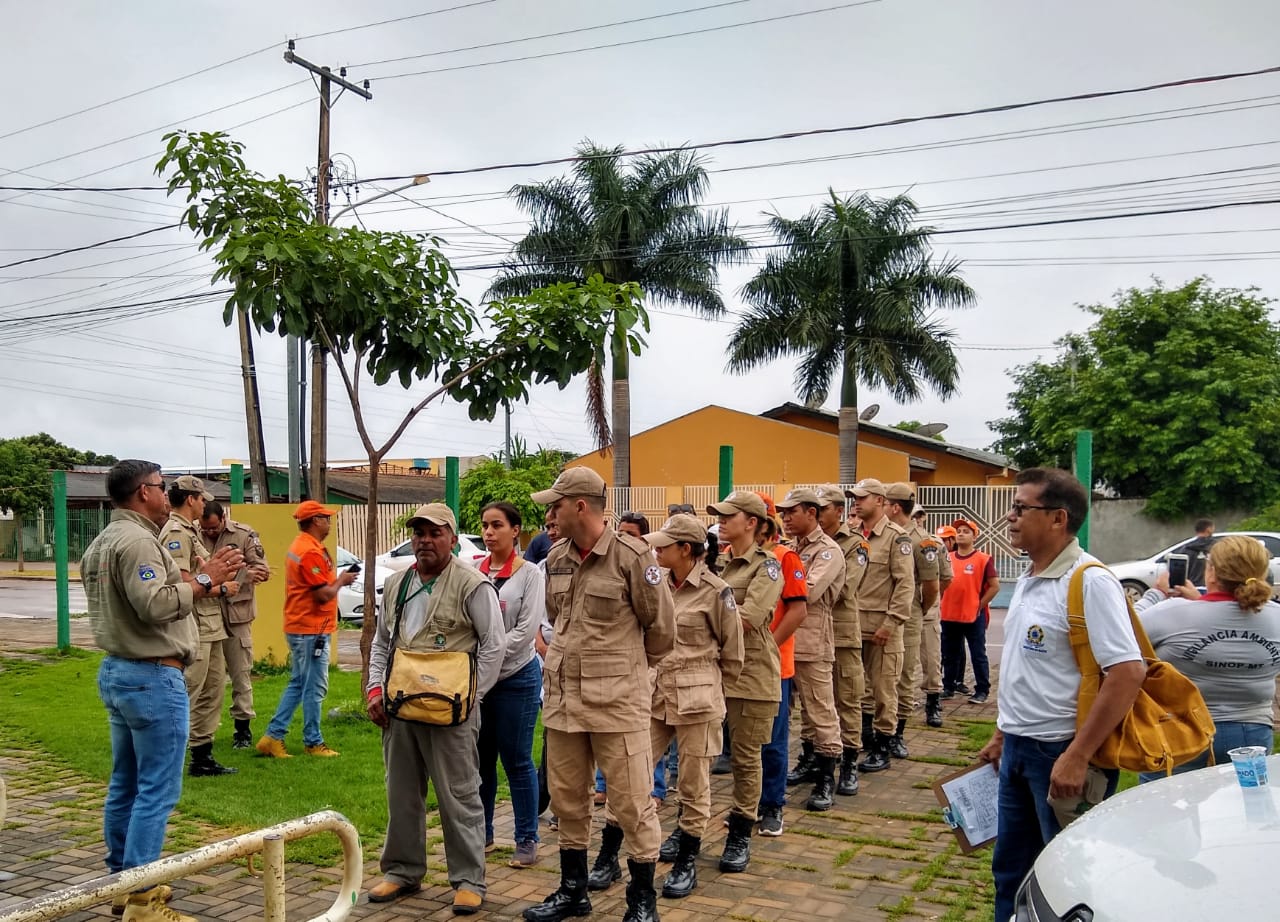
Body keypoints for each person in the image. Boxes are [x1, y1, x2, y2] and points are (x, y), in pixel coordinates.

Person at [978, 467, 1145, 922]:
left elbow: (1127, 672)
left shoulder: (1089, 580)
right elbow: (1027, 668)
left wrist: (1078, 755)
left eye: (1021, 508)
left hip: (1060, 753)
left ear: (1058, 518)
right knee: (1011, 872)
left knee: (1067, 880)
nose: (1010, 517)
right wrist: (1003, 733)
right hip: (1018, 748)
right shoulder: (1031, 576)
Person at [84, 460, 242, 922]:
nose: (166, 494)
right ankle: (141, 899)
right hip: (151, 676)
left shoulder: (105, 539)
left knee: (126, 784)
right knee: (156, 790)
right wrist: (207, 579)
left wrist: (196, 581)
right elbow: (154, 605)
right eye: (160, 486)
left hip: (121, 670)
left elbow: (150, 595)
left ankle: (123, 883)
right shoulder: (137, 541)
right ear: (142, 492)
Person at [523, 468, 674, 922]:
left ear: (580, 506)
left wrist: (624, 671)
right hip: (564, 701)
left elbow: (661, 630)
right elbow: (558, 618)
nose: (551, 515)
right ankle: (573, 891)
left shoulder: (633, 556)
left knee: (631, 803)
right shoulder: (556, 558)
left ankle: (642, 902)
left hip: (617, 704)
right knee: (568, 799)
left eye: (556, 505)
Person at [365, 503, 507, 915]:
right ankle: (402, 871)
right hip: (401, 706)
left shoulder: (472, 584)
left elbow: (494, 645)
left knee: (459, 795)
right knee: (401, 793)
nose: (425, 540)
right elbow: (382, 642)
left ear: (453, 539)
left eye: (435, 533)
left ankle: (468, 880)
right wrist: (375, 689)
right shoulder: (397, 584)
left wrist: (471, 698)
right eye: (419, 533)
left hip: (452, 712)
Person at [644, 515, 743, 898]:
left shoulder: (716, 591)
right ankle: (614, 852)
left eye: (664, 545)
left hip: (698, 700)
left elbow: (733, 653)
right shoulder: (656, 583)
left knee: (692, 783)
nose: (657, 550)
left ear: (686, 549)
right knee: (634, 771)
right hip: (656, 696)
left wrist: (712, 691)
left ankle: (687, 860)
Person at [1137, 535, 1280, 780]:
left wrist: (1156, 594)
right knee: (1246, 802)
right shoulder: (1276, 616)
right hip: (1252, 731)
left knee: (1164, 802)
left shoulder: (1172, 614)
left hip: (1179, 730)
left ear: (1212, 573)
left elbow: (1125, 629)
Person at [706, 490, 783, 873]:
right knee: (699, 753)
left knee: (746, 758)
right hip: (714, 670)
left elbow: (749, 618)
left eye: (728, 516)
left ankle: (740, 831)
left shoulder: (766, 567)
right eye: (719, 516)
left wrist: (700, 617)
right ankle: (689, 828)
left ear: (751, 523)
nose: (721, 521)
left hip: (751, 673)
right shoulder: (719, 563)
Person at [472, 502, 545, 868]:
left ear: (515, 531)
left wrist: (489, 657)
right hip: (479, 682)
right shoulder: (473, 572)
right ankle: (482, 834)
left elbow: (526, 630)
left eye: (497, 525)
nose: (489, 532)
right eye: (485, 525)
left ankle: (527, 838)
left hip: (517, 677)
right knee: (481, 760)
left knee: (516, 760)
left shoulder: (530, 574)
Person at [256, 500, 356, 759]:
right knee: (314, 687)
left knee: (300, 683)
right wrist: (342, 581)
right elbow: (322, 595)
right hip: (310, 629)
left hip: (305, 626)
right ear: (315, 521)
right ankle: (313, 742)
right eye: (325, 517)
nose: (329, 522)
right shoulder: (309, 551)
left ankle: (273, 736)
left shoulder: (306, 546)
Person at [161, 475, 238, 778]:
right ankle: (167, 756)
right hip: (194, 623)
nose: (205, 503)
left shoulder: (191, 531)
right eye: (201, 498)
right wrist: (220, 586)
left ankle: (202, 755)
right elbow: (183, 584)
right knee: (189, 688)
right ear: (190, 499)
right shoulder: (176, 533)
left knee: (213, 688)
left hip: (210, 622)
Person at [776, 487, 846, 808]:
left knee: (820, 711)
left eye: (792, 512)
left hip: (811, 641)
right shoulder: (789, 548)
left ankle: (826, 778)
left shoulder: (828, 551)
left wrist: (772, 587)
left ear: (812, 513)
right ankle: (807, 762)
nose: (786, 518)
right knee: (787, 712)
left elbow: (809, 591)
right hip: (784, 640)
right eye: (783, 513)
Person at [848, 479, 915, 773]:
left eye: (862, 497)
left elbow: (905, 585)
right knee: (856, 689)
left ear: (879, 500)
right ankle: (863, 738)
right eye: (854, 497)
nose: (856, 502)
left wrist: (892, 622)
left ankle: (882, 747)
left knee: (884, 690)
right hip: (853, 626)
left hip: (881, 629)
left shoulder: (896, 538)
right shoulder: (852, 535)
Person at [804, 484, 863, 798]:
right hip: (808, 632)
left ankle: (849, 761)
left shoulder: (853, 545)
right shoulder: (800, 544)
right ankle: (811, 758)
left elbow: (843, 588)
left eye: (823, 508)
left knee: (846, 698)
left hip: (841, 631)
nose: (818, 513)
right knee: (810, 704)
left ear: (838, 511)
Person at [200, 501, 270, 749]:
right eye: (205, 528)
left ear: (223, 518)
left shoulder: (244, 535)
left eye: (213, 527)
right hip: (206, 613)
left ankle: (242, 729)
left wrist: (239, 576)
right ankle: (201, 730)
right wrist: (237, 574)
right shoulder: (193, 534)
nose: (209, 532)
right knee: (205, 678)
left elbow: (261, 570)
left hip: (236, 615)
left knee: (240, 674)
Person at [756, 512, 808, 837]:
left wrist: (768, 648)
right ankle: (749, 804)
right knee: (747, 744)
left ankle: (772, 805)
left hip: (774, 664)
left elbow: (798, 610)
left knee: (773, 740)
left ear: (758, 524)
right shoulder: (732, 558)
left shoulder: (784, 557)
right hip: (742, 666)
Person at [884, 484, 942, 757]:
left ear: (895, 507)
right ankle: (877, 730)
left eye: (885, 503)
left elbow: (932, 585)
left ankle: (897, 733)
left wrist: (918, 609)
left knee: (904, 674)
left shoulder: (921, 541)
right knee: (880, 676)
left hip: (908, 614)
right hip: (882, 612)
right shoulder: (884, 535)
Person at [940, 518, 999, 704]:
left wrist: (979, 605)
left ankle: (982, 690)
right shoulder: (947, 558)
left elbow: (994, 586)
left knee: (978, 654)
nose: (961, 534)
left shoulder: (983, 559)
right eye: (959, 531)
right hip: (949, 615)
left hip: (973, 616)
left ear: (974, 537)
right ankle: (948, 687)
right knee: (949, 654)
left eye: (966, 531)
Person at [919, 515, 953, 728]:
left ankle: (933, 703)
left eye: (917, 516)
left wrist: (929, 599)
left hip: (926, 610)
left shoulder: (933, 543)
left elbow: (946, 577)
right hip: (896, 609)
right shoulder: (893, 538)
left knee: (932, 660)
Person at [1183, 517, 1216, 588]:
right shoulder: (1216, 547)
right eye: (1213, 528)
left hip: (1191, 587)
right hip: (1210, 587)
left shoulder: (1186, 548)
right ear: (1208, 529)